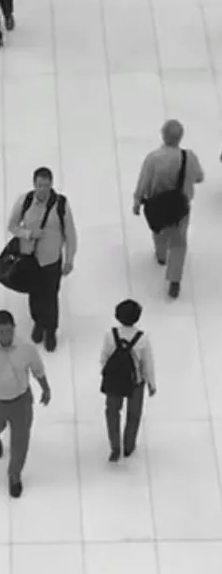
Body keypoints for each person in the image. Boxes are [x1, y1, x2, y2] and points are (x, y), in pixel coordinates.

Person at [0, 310, 51, 497]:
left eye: (9, 330)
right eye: (1, 331)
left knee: (21, 440)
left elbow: (38, 370)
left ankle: (14, 475)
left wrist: (45, 388)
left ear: (14, 328)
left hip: (20, 401)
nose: (5, 335)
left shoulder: (26, 348)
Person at [7, 167, 77, 352]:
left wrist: (69, 259)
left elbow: (70, 234)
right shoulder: (25, 201)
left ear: (51, 185)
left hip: (51, 261)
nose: (42, 190)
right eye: (39, 185)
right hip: (30, 259)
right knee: (34, 295)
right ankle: (38, 322)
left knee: (51, 297)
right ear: (34, 185)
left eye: (46, 185)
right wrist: (29, 234)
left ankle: (51, 329)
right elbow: (12, 226)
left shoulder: (61, 205)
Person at [133, 119, 204, 298]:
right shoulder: (189, 157)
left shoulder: (154, 158)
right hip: (181, 207)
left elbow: (144, 181)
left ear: (163, 135)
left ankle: (161, 255)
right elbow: (199, 177)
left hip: (157, 205)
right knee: (179, 243)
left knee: (159, 232)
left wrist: (137, 200)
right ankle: (174, 280)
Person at [100, 300, 156, 463]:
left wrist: (107, 373)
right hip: (136, 382)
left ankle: (115, 447)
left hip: (114, 381)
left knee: (112, 411)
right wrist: (151, 383)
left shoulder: (110, 335)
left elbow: (104, 357)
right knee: (134, 414)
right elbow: (148, 362)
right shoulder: (143, 338)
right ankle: (129, 445)